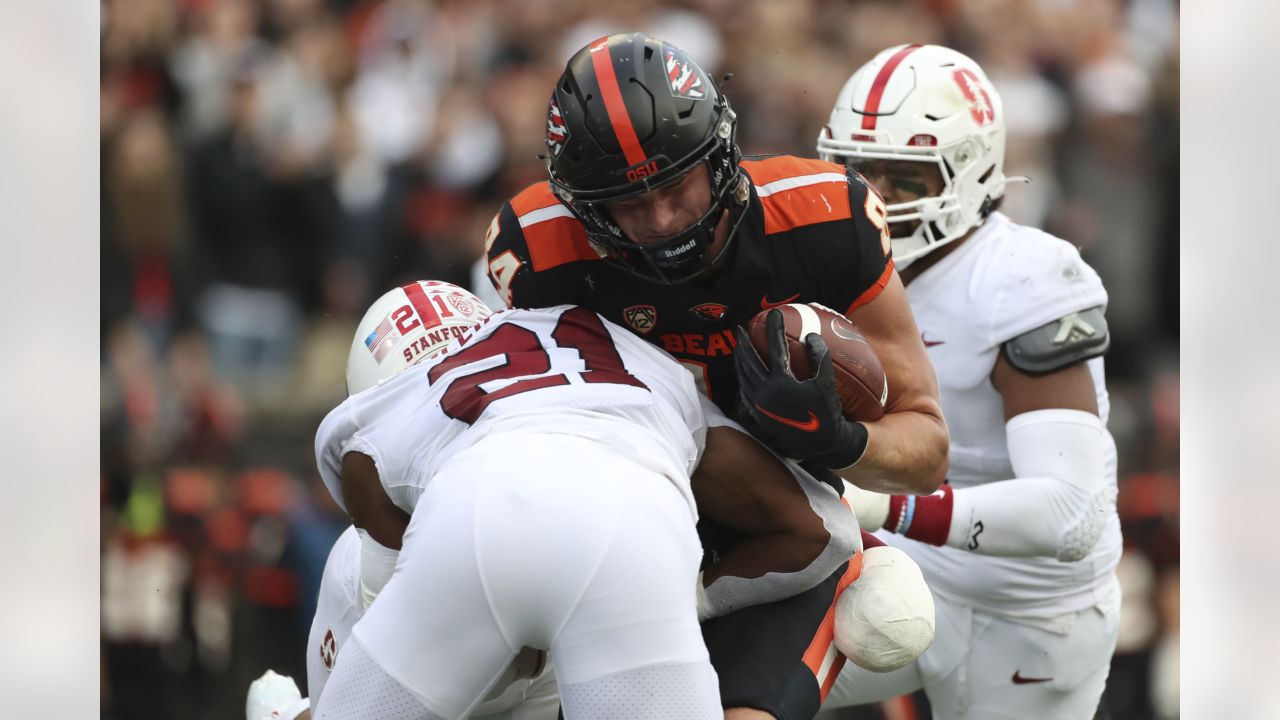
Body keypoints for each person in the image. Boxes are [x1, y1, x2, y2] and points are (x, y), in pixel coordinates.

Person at [484, 32, 947, 718]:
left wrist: (842, 441)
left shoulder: (824, 217)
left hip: (783, 533)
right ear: (583, 203)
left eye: (676, 185)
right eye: (628, 203)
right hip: (619, 531)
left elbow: (927, 451)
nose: (662, 219)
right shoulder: (538, 251)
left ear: (720, 152)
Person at [302, 280, 861, 719]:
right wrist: (694, 596)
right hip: (635, 543)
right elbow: (822, 533)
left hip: (472, 527)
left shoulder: (397, 402)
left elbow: (357, 478)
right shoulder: (644, 363)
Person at [813, 44, 1122, 719]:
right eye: (859, 172)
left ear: (973, 174)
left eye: (906, 178)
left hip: (1025, 609)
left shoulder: (1025, 276)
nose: (876, 199)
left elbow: (1073, 514)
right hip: (894, 564)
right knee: (708, 680)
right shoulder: (820, 263)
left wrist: (884, 507)